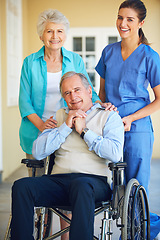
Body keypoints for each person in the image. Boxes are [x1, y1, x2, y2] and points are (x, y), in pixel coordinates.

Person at [18, 9, 106, 239]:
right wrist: (44, 126)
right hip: (38, 128)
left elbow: (85, 88)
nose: (54, 36)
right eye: (49, 31)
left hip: (67, 126)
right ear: (41, 35)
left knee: (65, 174)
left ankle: (65, 234)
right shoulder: (30, 62)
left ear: (65, 34)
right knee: (36, 183)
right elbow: (24, 100)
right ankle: (37, 227)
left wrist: (103, 105)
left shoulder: (74, 59)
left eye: (59, 31)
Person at [11, 71, 124, 240]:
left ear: (89, 90)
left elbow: (115, 154)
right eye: (67, 93)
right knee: (22, 186)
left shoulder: (109, 116)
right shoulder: (58, 117)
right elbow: (37, 151)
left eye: (77, 90)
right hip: (59, 181)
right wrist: (65, 127)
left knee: (81, 185)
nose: (73, 96)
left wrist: (84, 131)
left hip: (94, 182)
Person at [95, 0, 160, 239]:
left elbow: (159, 99)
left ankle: (144, 232)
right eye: (120, 17)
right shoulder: (108, 52)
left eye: (130, 19)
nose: (123, 23)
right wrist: (104, 106)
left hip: (137, 129)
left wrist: (131, 117)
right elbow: (102, 94)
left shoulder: (150, 57)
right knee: (111, 188)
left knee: (136, 187)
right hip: (110, 126)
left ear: (141, 23)